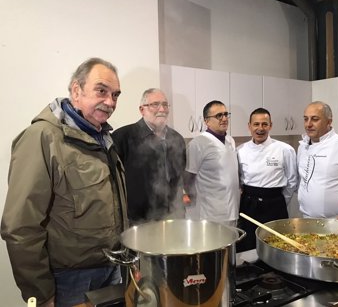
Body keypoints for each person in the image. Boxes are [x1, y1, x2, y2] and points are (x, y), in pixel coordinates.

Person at [1, 58, 129, 307]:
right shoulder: (42, 138)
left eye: (115, 95)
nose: (111, 102)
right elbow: (20, 226)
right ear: (76, 90)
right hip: (68, 280)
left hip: (112, 268)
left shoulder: (102, 137)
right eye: (101, 91)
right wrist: (40, 293)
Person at [112, 88, 186, 223]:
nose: (162, 109)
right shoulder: (122, 137)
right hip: (137, 221)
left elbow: (179, 180)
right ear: (142, 109)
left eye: (165, 104)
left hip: (173, 217)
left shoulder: (177, 139)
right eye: (155, 104)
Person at [236, 108, 298, 252]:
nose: (260, 128)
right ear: (249, 126)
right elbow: (238, 180)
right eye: (256, 124)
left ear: (270, 125)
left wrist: (280, 200)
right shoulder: (240, 150)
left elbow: (292, 181)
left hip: (275, 204)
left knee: (277, 246)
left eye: (264, 124)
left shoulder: (285, 149)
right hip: (248, 205)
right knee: (247, 246)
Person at [184, 100, 240, 226]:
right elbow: (188, 178)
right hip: (210, 214)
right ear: (206, 121)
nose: (224, 118)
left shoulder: (230, 140)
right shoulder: (198, 144)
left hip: (232, 210)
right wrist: (191, 197)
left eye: (226, 114)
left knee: (231, 245)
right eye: (219, 115)